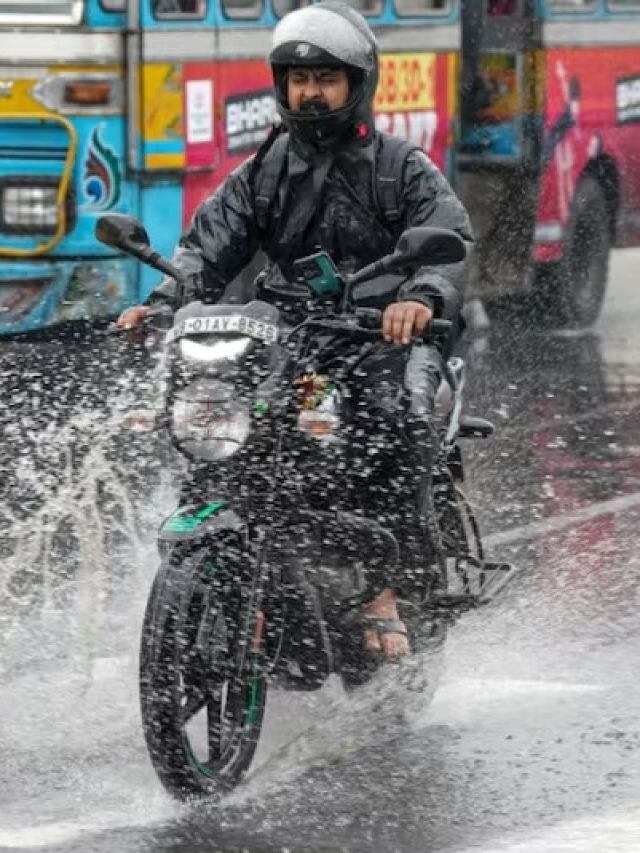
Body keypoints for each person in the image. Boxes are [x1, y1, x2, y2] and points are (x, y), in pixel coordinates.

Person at [118, 0, 474, 660]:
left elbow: (448, 238)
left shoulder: (399, 166)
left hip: (380, 335)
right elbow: (206, 248)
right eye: (298, 80)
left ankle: (383, 585)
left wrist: (420, 297)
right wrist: (166, 300)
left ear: (356, 85)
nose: (310, 93)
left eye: (326, 80)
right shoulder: (265, 169)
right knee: (217, 408)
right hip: (290, 331)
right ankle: (225, 562)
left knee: (392, 416)